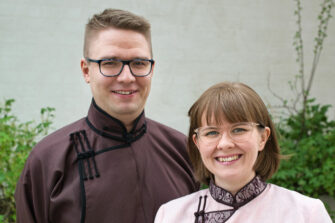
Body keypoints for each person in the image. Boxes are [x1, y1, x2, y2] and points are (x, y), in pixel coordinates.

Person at [15, 9, 198, 223]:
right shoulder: (48, 161)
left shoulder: (182, 152)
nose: (127, 77)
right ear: (86, 70)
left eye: (139, 63)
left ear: (152, 69)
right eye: (110, 63)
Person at [154, 82, 332, 223]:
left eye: (238, 130)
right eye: (212, 133)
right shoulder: (171, 216)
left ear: (263, 138)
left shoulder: (306, 213)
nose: (224, 144)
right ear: (198, 143)